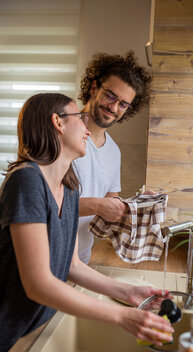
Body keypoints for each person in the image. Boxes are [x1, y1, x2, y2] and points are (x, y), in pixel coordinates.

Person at [0, 92, 174, 352]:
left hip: (36, 325)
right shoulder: (26, 181)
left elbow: (72, 266)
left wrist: (131, 293)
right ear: (58, 122)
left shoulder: (69, 188)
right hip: (7, 332)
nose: (86, 128)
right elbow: (38, 284)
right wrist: (122, 316)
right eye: (80, 118)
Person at [74, 50, 152, 264]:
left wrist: (137, 206)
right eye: (110, 96)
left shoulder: (114, 152)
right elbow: (45, 204)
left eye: (124, 104)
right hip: (41, 256)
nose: (114, 108)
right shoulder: (62, 132)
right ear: (93, 87)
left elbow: (109, 211)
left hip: (80, 260)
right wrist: (100, 205)